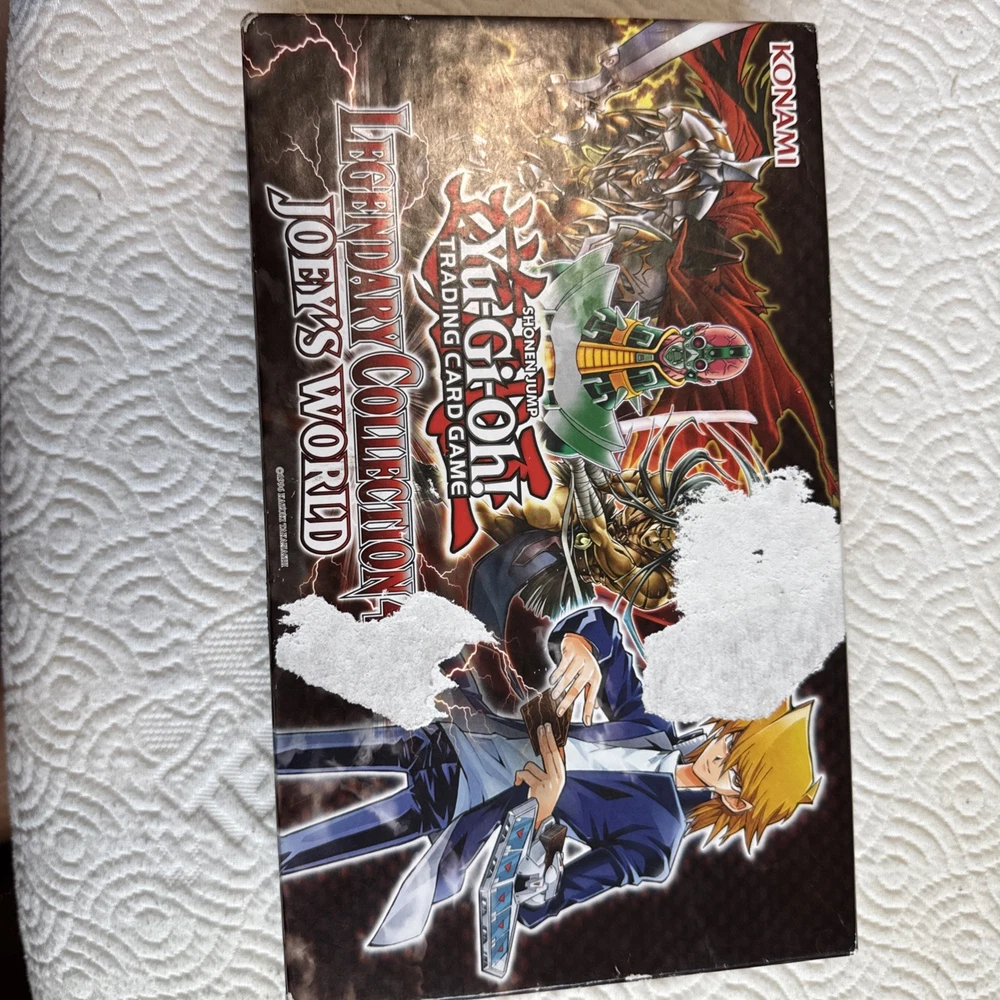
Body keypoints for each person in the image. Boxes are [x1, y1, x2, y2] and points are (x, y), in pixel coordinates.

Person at [275, 605, 820, 944]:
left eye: (736, 776)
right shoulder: (650, 726)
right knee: (293, 751)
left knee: (301, 848)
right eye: (732, 743)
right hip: (453, 734)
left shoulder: (655, 839)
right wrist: (582, 645)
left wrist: (542, 816)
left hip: (465, 800)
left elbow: (539, 905)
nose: (720, 758)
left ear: (736, 801)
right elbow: (605, 632)